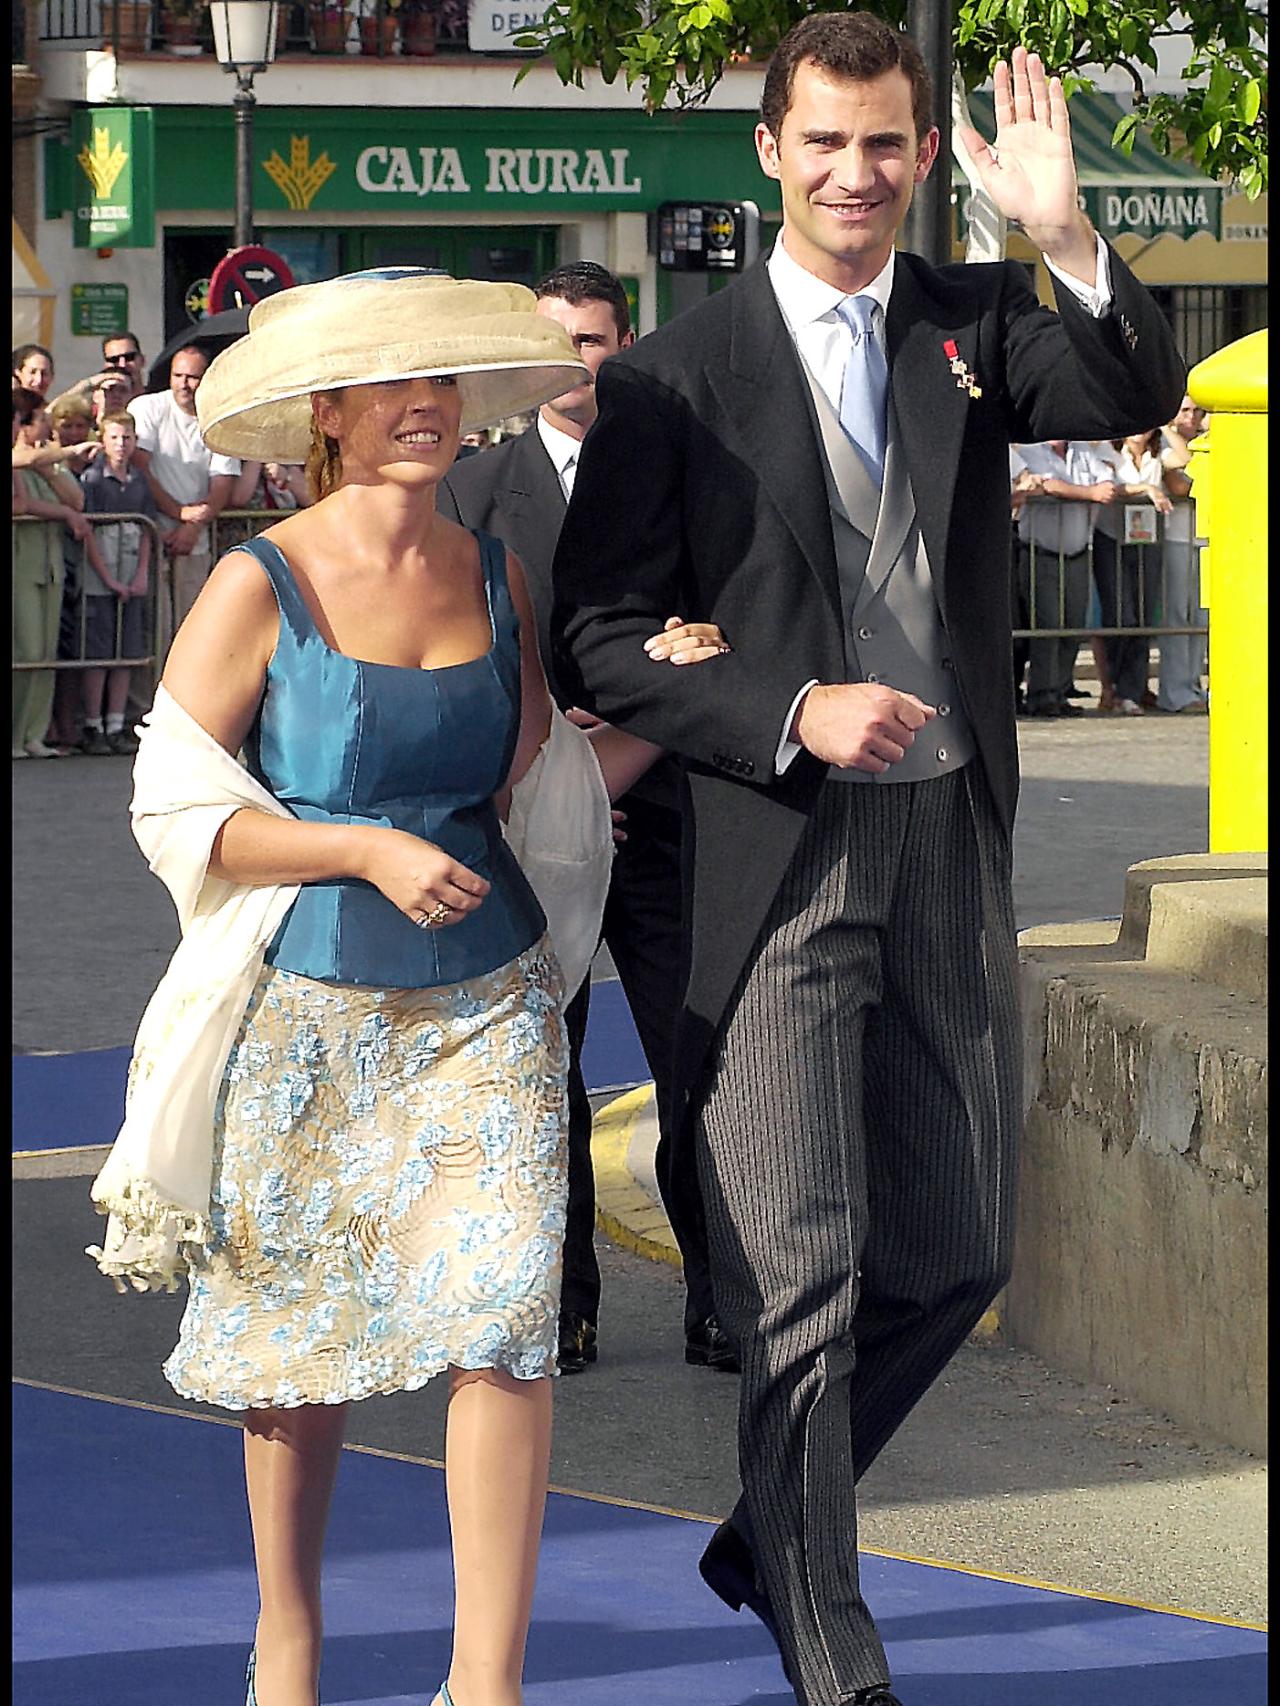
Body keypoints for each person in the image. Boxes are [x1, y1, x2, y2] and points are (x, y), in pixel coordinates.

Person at [549, 16, 1185, 1703]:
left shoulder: (974, 324)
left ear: (921, 155)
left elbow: (1135, 391)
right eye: (825, 143)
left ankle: (773, 1525)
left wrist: (1060, 230)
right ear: (770, 149)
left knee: (964, 1246)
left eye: (886, 144)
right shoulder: (672, 376)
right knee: (803, 1265)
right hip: (773, 856)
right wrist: (789, 706)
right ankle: (830, 1633)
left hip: (951, 836)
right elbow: (600, 638)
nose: (855, 174)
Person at [85, 268, 727, 1706]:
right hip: (304, 1014)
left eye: (442, 384)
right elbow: (174, 808)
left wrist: (684, 696)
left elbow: (537, 779)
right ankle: (290, 1650)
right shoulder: (260, 578)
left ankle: (484, 1683)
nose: (425, 405)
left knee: (503, 1318)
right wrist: (360, 845)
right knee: (298, 1342)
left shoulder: (498, 571)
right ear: (330, 413)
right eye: (392, 383)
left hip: (491, 1007)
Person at [440, 260, 732, 1377]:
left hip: (657, 814)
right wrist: (548, 783)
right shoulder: (474, 493)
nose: (577, 363)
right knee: (538, 1072)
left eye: (597, 341)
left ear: (625, 345)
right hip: (521, 825)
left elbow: (718, 610)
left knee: (695, 1061)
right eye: (557, 342)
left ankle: (721, 1300)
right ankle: (561, 1303)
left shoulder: (673, 469)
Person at [127, 343, 241, 645]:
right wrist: (178, 513)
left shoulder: (218, 416)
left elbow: (223, 481)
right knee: (153, 628)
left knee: (190, 628)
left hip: (195, 541)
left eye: (193, 377)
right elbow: (140, 466)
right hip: (149, 536)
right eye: (178, 375)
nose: (184, 384)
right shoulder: (147, 407)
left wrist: (193, 526)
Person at [12, 387, 99, 758]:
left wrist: (48, 467)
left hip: (49, 567)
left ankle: (33, 735)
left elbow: (76, 499)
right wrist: (63, 512)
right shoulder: (16, 460)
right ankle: (15, 736)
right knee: (26, 650)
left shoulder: (45, 463)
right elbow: (19, 504)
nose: (45, 426)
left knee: (46, 651)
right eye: (39, 421)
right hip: (21, 561)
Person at [1009, 439, 1119, 717]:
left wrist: (1086, 490)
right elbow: (1047, 485)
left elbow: (1107, 479)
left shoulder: (1081, 450)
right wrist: (1090, 492)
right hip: (1041, 551)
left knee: (1072, 626)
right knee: (1048, 625)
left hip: (1078, 551)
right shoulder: (1031, 451)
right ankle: (1042, 695)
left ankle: (1060, 691)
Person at [76, 410, 157, 755]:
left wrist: (140, 574)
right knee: (98, 651)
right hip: (102, 567)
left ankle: (116, 721)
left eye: (127, 438)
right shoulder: (92, 480)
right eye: (114, 438)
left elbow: (146, 531)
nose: (121, 445)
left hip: (130, 565)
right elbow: (88, 534)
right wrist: (107, 578)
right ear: (102, 440)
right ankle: (93, 723)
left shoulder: (139, 481)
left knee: (127, 650)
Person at [1091, 427, 1174, 716]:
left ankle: (1132, 690)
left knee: (1142, 614)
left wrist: (1165, 425)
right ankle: (1113, 686)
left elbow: (1183, 457)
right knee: (1120, 614)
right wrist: (1147, 489)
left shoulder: (1157, 454)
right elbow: (1110, 487)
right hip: (1112, 537)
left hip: (1146, 539)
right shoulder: (1109, 451)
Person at [1155, 394, 1209, 714]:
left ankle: (1191, 684)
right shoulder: (1164, 448)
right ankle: (1174, 690)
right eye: (1185, 411)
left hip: (1202, 537)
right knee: (1177, 615)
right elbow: (1181, 476)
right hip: (1175, 538)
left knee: (1199, 618)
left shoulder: (1207, 443)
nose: (1191, 417)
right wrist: (1166, 426)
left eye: (1196, 411)